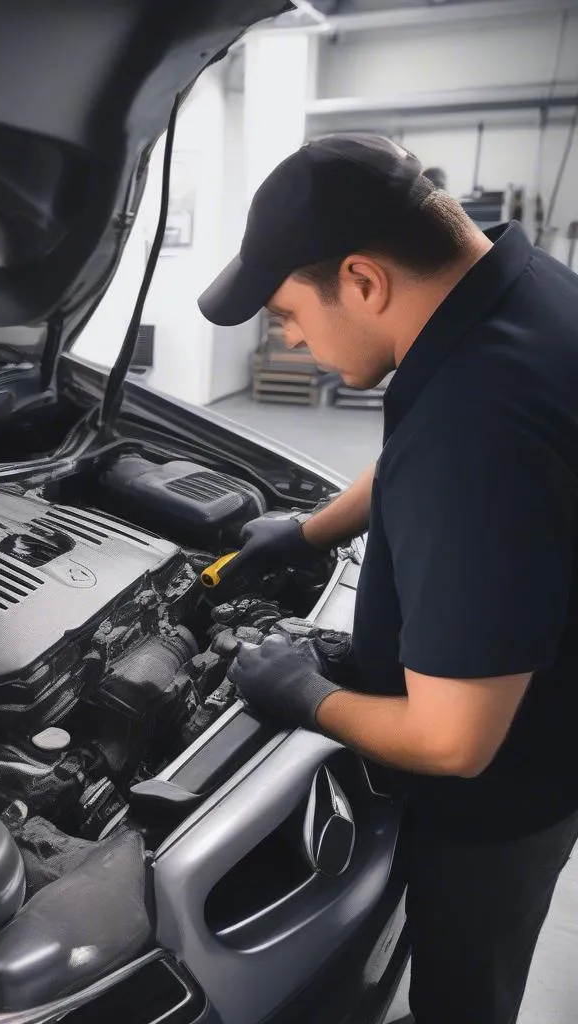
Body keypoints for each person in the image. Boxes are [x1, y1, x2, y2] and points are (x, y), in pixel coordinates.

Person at [198, 134, 578, 1024]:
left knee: (463, 983)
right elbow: (416, 448)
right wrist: (306, 529)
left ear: (364, 282)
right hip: (552, 715)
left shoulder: (477, 424)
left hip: (504, 798)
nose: (287, 336)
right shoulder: (521, 294)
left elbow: (454, 744)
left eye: (286, 313)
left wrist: (302, 695)